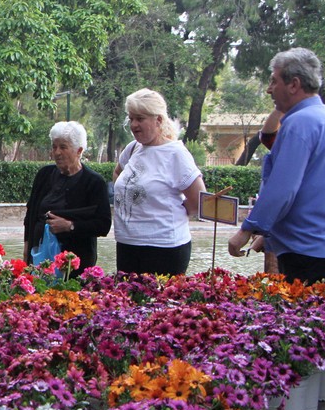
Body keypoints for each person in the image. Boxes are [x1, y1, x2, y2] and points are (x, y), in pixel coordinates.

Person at [228, 48, 325, 284]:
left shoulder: (299, 123)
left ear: (294, 84)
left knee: (302, 317)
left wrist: (247, 230)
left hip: (303, 247)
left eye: (274, 81)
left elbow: (283, 187)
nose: (269, 89)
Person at [112, 88, 206, 276]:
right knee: (126, 302)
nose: (134, 125)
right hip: (127, 244)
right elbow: (117, 173)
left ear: (159, 120)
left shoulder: (175, 154)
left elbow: (198, 200)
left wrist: (169, 211)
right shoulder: (133, 149)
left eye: (140, 118)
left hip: (164, 248)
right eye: (131, 119)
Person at [23, 121, 112, 276]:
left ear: (79, 150)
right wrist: (27, 247)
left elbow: (103, 225)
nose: (57, 152)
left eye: (63, 147)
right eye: (54, 147)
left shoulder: (94, 182)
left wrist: (70, 226)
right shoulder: (44, 175)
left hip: (75, 263)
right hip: (40, 256)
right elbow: (30, 215)